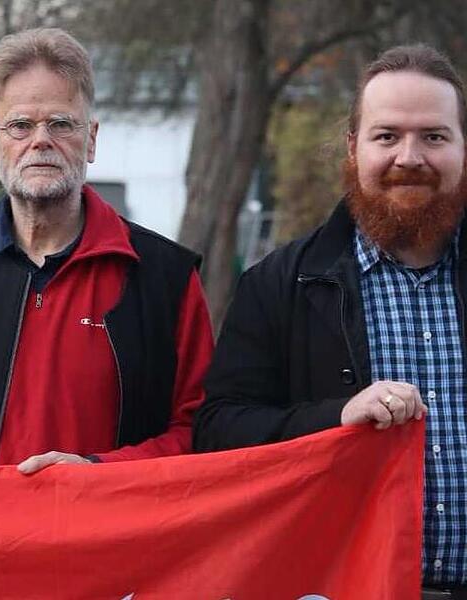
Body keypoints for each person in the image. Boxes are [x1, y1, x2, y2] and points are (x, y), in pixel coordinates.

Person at [193, 44, 467, 595]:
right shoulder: (279, 284)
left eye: (433, 136)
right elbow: (218, 432)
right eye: (386, 135)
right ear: (352, 147)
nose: (409, 156)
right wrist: (336, 416)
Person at [0, 27, 213, 474]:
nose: (40, 140)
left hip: (107, 536)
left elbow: (199, 428)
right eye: (20, 126)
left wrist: (97, 469)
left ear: (91, 140)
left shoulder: (165, 277)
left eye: (61, 124)